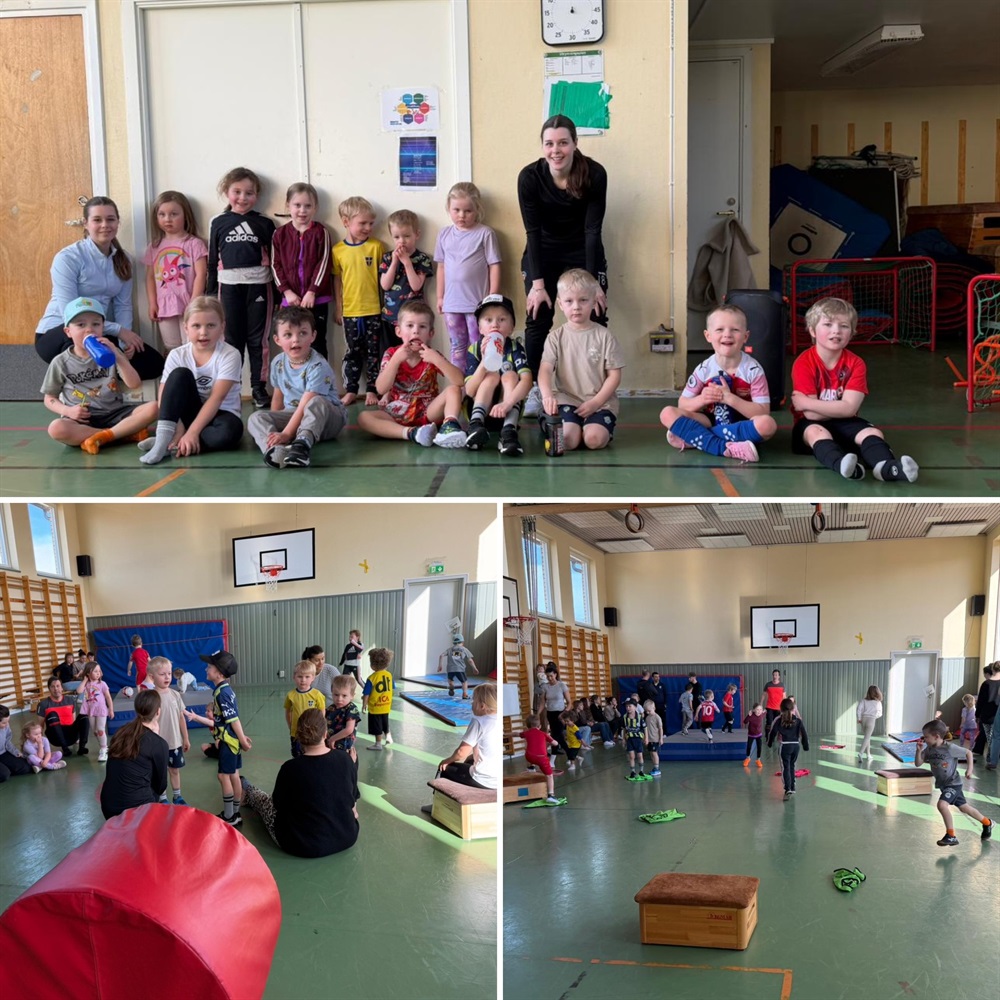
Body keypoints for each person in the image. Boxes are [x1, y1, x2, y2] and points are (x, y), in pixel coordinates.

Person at [518, 114, 609, 416]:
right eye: (549, 144)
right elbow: (531, 232)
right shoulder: (530, 177)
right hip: (542, 250)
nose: (556, 150)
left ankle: (595, 391)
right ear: (542, 147)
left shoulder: (594, 174)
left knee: (595, 314)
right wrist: (538, 285)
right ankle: (536, 389)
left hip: (583, 249)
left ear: (575, 143)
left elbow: (593, 230)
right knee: (537, 315)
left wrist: (593, 284)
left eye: (562, 143)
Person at [35, 195, 164, 380]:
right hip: (61, 332)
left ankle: (105, 381)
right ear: (86, 224)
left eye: (110, 219)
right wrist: (118, 330)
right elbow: (71, 313)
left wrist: (124, 342)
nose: (105, 225)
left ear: (118, 222)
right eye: (97, 220)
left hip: (98, 331)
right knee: (88, 356)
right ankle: (83, 391)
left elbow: (123, 305)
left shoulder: (124, 260)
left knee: (154, 364)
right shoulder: (68, 258)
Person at [790, 296, 918, 481]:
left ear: (851, 333)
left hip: (846, 422)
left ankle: (887, 468)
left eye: (844, 326)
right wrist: (839, 408)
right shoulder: (804, 363)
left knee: (873, 433)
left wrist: (807, 403)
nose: (836, 330)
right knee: (816, 432)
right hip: (809, 427)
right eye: (828, 324)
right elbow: (811, 416)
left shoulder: (856, 363)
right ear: (812, 330)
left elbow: (849, 409)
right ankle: (844, 466)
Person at [660, 304, 777, 464]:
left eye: (735, 330)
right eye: (720, 329)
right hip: (710, 419)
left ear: (745, 336)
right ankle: (725, 448)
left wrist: (729, 399)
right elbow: (683, 404)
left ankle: (697, 437)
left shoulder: (753, 370)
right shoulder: (704, 369)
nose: (727, 334)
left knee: (768, 425)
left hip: (742, 422)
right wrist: (703, 399)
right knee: (667, 413)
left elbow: (763, 411)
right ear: (708, 336)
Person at [41, 297, 157, 454]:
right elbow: (49, 398)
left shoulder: (112, 352)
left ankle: (103, 437)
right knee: (56, 428)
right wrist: (68, 411)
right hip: (83, 419)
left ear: (103, 328)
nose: (89, 330)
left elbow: (134, 384)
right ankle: (122, 434)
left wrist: (118, 355)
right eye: (81, 325)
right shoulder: (61, 362)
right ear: (68, 332)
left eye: (96, 324)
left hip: (116, 413)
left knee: (154, 407)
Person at [138, 297, 245, 465]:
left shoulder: (230, 354)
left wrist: (192, 433)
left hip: (219, 414)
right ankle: (163, 439)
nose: (203, 332)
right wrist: (179, 427)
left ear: (222, 327)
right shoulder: (177, 354)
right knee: (180, 374)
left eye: (211, 325)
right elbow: (164, 395)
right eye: (196, 326)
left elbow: (216, 398)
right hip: (188, 413)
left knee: (230, 432)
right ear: (186, 328)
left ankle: (174, 443)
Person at [240, 708, 359, 857]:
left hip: (301, 844)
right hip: (347, 837)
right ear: (325, 733)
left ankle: (249, 790)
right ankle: (248, 790)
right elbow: (352, 797)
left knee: (265, 801)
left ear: (299, 737)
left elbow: (277, 804)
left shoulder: (291, 768)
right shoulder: (346, 759)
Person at [206, 166, 276, 409]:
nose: (243, 198)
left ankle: (258, 387)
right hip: (228, 287)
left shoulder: (265, 223)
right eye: (237, 192)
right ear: (227, 192)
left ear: (257, 195)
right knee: (231, 340)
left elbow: (275, 261)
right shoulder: (218, 222)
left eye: (249, 193)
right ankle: (232, 388)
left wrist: (278, 295)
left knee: (258, 340)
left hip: (259, 286)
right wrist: (210, 294)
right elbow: (212, 260)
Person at [247, 305, 348, 469]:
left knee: (316, 401)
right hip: (294, 415)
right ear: (277, 340)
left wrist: (287, 433)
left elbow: (305, 404)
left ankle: (301, 446)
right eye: (288, 334)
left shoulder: (318, 365)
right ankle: (274, 450)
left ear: (313, 336)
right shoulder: (278, 362)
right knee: (256, 418)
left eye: (302, 333)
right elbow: (278, 396)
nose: (295, 339)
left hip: (327, 418)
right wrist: (276, 424)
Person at [356, 300, 468, 448]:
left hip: (429, 412)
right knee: (364, 417)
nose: (416, 331)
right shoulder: (391, 354)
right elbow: (381, 389)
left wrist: (437, 360)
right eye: (410, 325)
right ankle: (412, 433)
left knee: (453, 390)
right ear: (398, 331)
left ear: (431, 333)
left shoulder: (432, 355)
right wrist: (396, 360)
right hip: (396, 413)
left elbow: (460, 381)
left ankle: (450, 427)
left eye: (422, 326)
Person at [538, 269, 624, 452]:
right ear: (560, 304)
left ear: (594, 301)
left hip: (600, 403)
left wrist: (596, 403)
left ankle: (596, 428)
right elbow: (545, 370)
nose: (576, 306)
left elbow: (614, 376)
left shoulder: (605, 336)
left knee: (593, 440)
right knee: (568, 441)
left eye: (583, 300)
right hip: (567, 400)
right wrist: (546, 396)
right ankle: (557, 422)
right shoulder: (555, 337)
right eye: (569, 301)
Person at [434, 182, 502, 369]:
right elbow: (441, 267)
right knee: (457, 347)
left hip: (477, 304)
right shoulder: (444, 234)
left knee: (478, 345)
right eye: (456, 210)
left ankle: (478, 382)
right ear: (449, 208)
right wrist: (440, 296)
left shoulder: (485, 233)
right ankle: (460, 384)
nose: (461, 215)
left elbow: (494, 265)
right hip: (451, 304)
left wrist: (493, 297)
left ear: (477, 209)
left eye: (468, 211)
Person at [183, 650, 252, 827]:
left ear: (219, 673)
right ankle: (235, 814)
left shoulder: (222, 693)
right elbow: (233, 717)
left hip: (229, 742)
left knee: (223, 776)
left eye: (209, 667)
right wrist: (240, 737)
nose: (206, 669)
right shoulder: (225, 690)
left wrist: (242, 740)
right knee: (234, 775)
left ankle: (229, 816)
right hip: (232, 740)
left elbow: (233, 719)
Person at [332, 196, 385, 406]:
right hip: (350, 312)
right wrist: (339, 308)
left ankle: (372, 389)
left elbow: (383, 281)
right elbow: (337, 281)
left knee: (374, 352)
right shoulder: (338, 251)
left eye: (371, 223)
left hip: (374, 310)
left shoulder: (376, 247)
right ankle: (351, 389)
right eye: (362, 223)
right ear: (346, 222)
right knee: (353, 352)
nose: (368, 228)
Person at [463, 294, 532, 456]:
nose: (495, 324)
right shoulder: (474, 349)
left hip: (508, 410)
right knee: (492, 376)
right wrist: (483, 363)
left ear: (512, 327)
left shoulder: (515, 348)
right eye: (488, 320)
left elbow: (527, 381)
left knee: (511, 375)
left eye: (502, 319)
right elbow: (469, 391)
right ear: (480, 328)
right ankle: (475, 427)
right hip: (477, 411)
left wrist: (507, 403)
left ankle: (509, 433)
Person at [271, 182, 333, 358]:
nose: (302, 210)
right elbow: (275, 265)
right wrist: (286, 292)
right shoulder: (279, 234)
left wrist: (312, 291)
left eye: (308, 206)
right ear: (288, 205)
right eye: (297, 205)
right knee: (292, 343)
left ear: (315, 207)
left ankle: (319, 376)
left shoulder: (321, 232)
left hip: (316, 300)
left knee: (317, 342)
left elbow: (324, 263)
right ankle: (294, 375)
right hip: (290, 301)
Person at [143, 190, 208, 351]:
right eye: (162, 214)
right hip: (164, 305)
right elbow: (150, 277)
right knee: (171, 347)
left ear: (185, 215)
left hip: (189, 301)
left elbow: (201, 274)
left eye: (174, 214)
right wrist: (152, 303)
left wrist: (194, 302)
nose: (167, 219)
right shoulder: (154, 246)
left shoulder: (194, 243)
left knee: (192, 345)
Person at [914, 719, 993, 846]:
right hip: (943, 785)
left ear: (936, 736)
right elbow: (918, 763)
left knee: (942, 805)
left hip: (953, 784)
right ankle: (987, 823)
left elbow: (968, 753)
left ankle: (951, 835)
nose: (924, 739)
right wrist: (918, 750)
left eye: (926, 737)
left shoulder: (949, 748)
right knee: (965, 808)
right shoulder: (929, 749)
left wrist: (969, 770)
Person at [99, 689, 168, 819]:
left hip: (108, 806)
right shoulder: (159, 744)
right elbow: (161, 785)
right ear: (158, 711)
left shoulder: (121, 732)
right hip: (136, 810)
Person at [379, 209, 434, 354]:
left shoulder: (422, 258)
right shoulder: (387, 258)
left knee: (414, 354)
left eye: (407, 236)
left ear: (417, 235)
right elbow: (385, 285)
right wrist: (394, 262)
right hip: (390, 317)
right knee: (389, 354)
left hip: (414, 322)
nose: (401, 241)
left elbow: (416, 286)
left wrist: (407, 262)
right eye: (397, 237)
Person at [436, 682, 498, 790]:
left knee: (444, 768)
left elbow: (461, 752)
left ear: (482, 706)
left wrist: (447, 760)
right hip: (497, 779)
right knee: (469, 760)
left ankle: (440, 800)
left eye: (473, 701)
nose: (471, 703)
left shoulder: (479, 721)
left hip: (483, 780)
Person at [147, 656, 189, 804]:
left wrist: (185, 738)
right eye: (162, 674)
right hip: (158, 743)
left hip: (175, 741)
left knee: (175, 770)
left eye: (169, 673)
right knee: (160, 771)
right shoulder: (151, 697)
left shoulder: (175, 695)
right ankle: (162, 797)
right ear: (152, 677)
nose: (167, 677)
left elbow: (181, 717)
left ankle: (177, 796)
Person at [767, 697, 810, 801]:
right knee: (792, 766)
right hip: (796, 746)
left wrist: (769, 743)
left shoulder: (779, 720)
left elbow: (773, 732)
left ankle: (788, 788)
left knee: (785, 767)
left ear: (781, 709)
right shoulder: (798, 720)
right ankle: (792, 787)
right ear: (793, 708)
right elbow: (804, 734)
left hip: (785, 746)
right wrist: (806, 746)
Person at [37, 677, 89, 757]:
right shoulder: (43, 704)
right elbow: (40, 726)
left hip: (70, 735)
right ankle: (65, 749)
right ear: (49, 689)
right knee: (52, 715)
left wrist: (77, 738)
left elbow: (73, 720)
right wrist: (40, 744)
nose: (56, 689)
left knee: (84, 716)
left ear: (62, 688)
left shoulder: (70, 700)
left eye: (58, 686)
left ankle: (82, 747)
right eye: (53, 687)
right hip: (55, 737)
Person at [284, 659, 325, 757]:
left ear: (313, 677)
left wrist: (319, 727)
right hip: (296, 732)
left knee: (311, 754)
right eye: (300, 676)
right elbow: (288, 712)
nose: (303, 680)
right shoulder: (290, 695)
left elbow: (321, 712)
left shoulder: (317, 695)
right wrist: (290, 726)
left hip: (312, 732)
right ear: (294, 677)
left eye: (307, 677)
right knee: (297, 754)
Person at [77, 661, 113, 763]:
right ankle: (104, 746)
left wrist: (110, 709)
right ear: (88, 673)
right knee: (95, 732)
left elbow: (108, 697)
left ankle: (103, 750)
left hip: (101, 709)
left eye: (99, 671)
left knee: (100, 730)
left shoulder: (102, 684)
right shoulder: (87, 684)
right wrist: (85, 680)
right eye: (95, 671)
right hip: (91, 710)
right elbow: (79, 691)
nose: (98, 673)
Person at [325, 675, 361, 773]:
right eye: (336, 695)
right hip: (331, 747)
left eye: (344, 696)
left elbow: (349, 729)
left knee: (345, 772)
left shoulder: (351, 708)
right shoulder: (331, 708)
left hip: (344, 748)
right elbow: (324, 723)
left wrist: (333, 738)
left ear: (352, 695)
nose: (339, 699)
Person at [520, 714, 560, 803]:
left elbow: (515, 734)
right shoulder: (544, 734)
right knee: (549, 775)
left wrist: (505, 734)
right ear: (540, 726)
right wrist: (554, 741)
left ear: (527, 726)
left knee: (530, 751)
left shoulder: (526, 733)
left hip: (529, 757)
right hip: (541, 758)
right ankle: (551, 795)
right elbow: (555, 743)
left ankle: (531, 767)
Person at [361, 646, 395, 750]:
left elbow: (366, 694)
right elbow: (392, 688)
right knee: (385, 722)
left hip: (375, 707)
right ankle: (388, 736)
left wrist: (364, 705)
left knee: (377, 726)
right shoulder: (389, 675)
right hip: (386, 705)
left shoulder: (371, 678)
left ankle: (378, 744)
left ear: (373, 665)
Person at [541, 664, 571, 754]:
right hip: (550, 713)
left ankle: (570, 755)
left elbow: (569, 702)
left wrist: (564, 713)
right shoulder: (545, 686)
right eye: (547, 676)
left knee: (556, 735)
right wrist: (537, 714)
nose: (549, 678)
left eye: (551, 676)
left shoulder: (562, 685)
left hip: (560, 713)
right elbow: (542, 702)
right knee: (556, 735)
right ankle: (570, 755)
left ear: (555, 674)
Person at [0, 705, 33, 780]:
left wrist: (15, 752)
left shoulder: (6, 726)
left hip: (2, 753)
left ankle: (5, 769)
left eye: (8, 721)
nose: (7, 724)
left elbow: (7, 741)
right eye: (4, 723)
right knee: (4, 775)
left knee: (25, 767)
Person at [439, 633, 477, 699]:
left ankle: (451, 685)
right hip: (460, 669)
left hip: (450, 669)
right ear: (462, 642)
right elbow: (470, 660)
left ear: (453, 642)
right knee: (464, 682)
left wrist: (440, 665)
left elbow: (441, 655)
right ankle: (464, 694)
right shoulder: (464, 649)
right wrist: (474, 668)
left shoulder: (449, 650)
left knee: (450, 679)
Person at [857, 685, 883, 761]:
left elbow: (859, 709)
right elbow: (880, 713)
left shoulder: (863, 700)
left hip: (863, 719)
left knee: (867, 737)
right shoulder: (878, 702)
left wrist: (859, 718)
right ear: (877, 692)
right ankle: (860, 753)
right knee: (867, 737)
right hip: (871, 720)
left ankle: (868, 754)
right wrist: (874, 717)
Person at [622, 699, 646, 781]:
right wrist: (623, 738)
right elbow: (624, 728)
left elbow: (645, 727)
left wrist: (646, 738)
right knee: (631, 756)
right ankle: (632, 771)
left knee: (640, 755)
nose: (628, 708)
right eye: (626, 706)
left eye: (630, 706)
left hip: (638, 739)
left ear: (635, 707)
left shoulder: (639, 717)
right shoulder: (625, 717)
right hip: (629, 739)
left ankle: (641, 771)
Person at [762, 669, 785, 736]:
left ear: (779, 676)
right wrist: (760, 704)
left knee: (778, 722)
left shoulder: (782, 685)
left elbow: (784, 696)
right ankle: (767, 737)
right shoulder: (768, 684)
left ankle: (776, 736)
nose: (775, 676)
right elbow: (763, 695)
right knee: (769, 722)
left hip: (779, 708)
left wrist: (785, 707)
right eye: (774, 675)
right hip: (769, 707)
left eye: (776, 675)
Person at [644, 700, 663, 778]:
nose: (648, 712)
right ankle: (654, 766)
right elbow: (646, 729)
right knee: (651, 753)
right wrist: (646, 738)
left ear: (654, 708)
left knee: (654, 753)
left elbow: (660, 728)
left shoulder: (657, 717)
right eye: (646, 711)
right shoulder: (647, 718)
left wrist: (661, 738)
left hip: (655, 739)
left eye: (649, 711)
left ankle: (657, 768)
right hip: (649, 739)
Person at [743, 703, 765, 767]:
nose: (759, 711)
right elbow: (745, 722)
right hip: (751, 734)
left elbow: (766, 711)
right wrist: (748, 715)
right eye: (757, 709)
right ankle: (748, 758)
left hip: (759, 734)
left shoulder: (762, 714)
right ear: (754, 710)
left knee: (759, 747)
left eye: (760, 709)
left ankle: (758, 759)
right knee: (749, 746)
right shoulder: (751, 715)